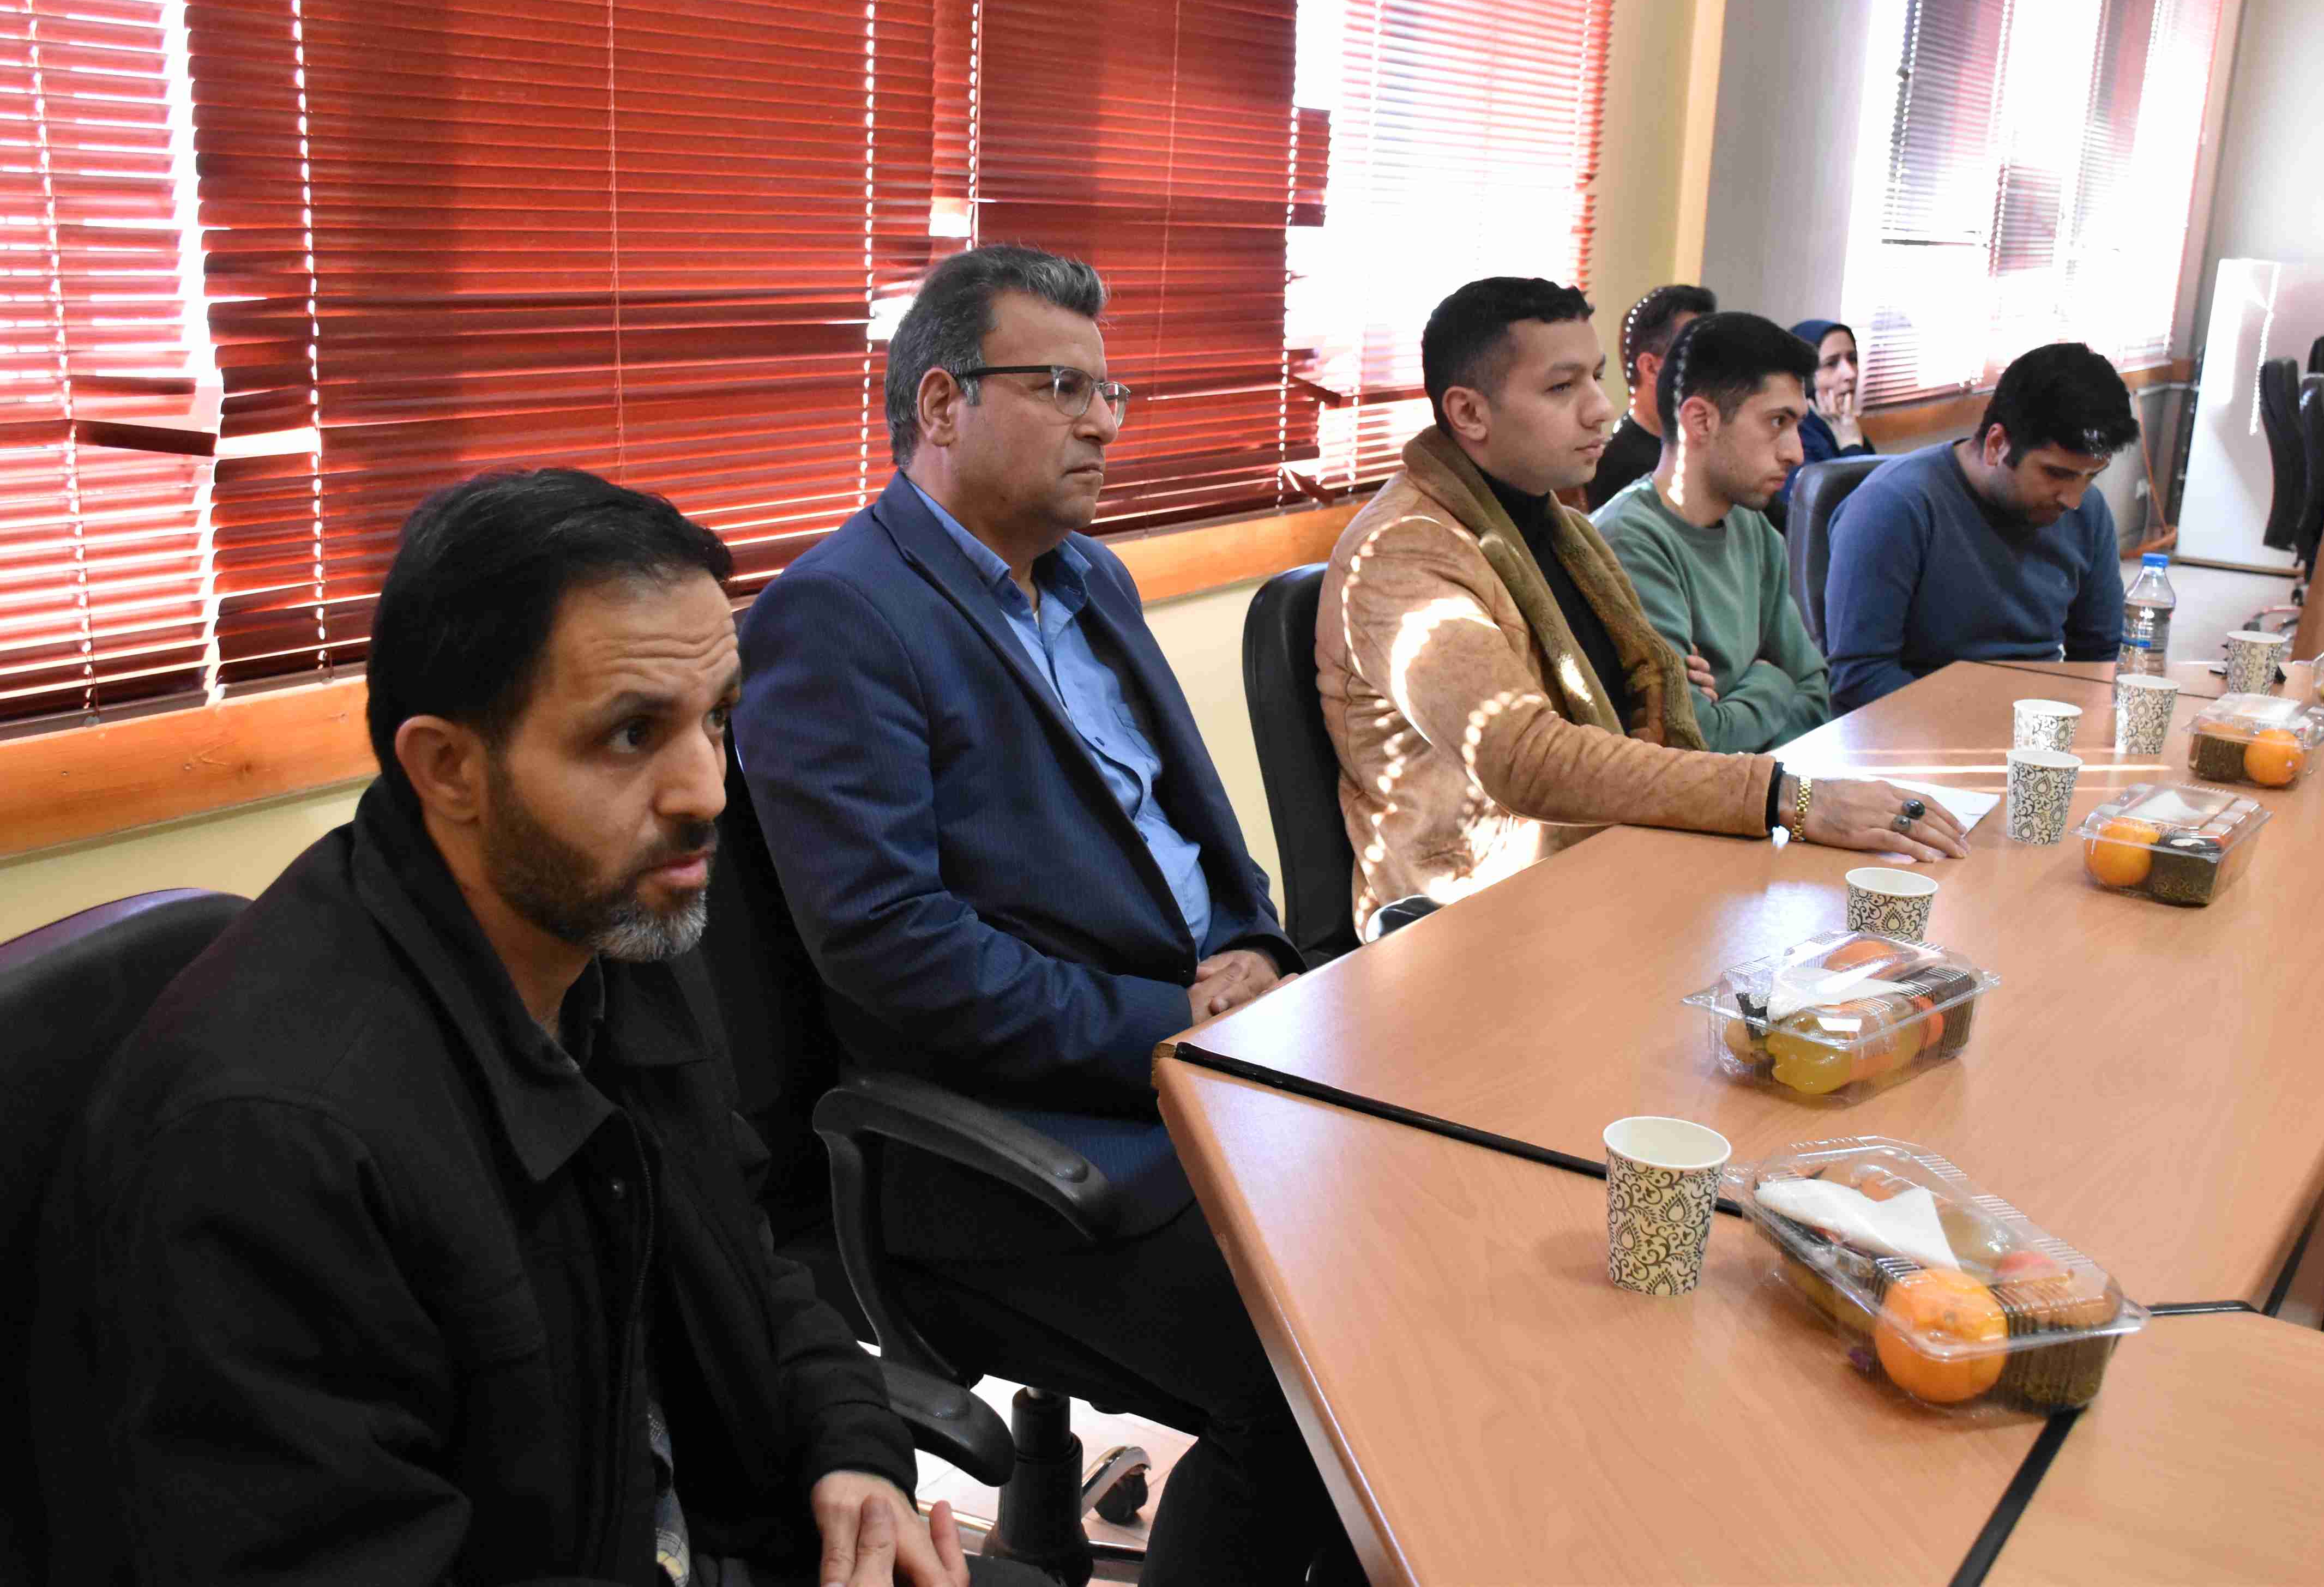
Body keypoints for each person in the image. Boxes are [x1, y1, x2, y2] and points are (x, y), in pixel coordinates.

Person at [32, 468, 1019, 1587]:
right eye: (632, 734)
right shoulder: (275, 1140)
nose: (707, 790)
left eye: (717, 719)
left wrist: (852, 1453)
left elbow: (742, 1261)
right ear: (448, 767)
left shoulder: (608, 931)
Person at [733, 245, 1360, 1586]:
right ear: (942, 403)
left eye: (1109, 391)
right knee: (1320, 1383)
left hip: (1208, 1061)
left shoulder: (1087, 576)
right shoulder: (839, 619)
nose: (1102, 423)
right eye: (1061, 387)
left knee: (1425, 1248)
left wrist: (1254, 947)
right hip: (1019, 1141)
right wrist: (1173, 1024)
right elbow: (892, 947)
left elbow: (1193, 826)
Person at [1317, 275, 1966, 929]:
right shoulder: (1402, 550)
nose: (1600, 409)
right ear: (1468, 413)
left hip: (1607, 865)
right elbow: (1525, 757)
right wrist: (1788, 799)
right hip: (1469, 913)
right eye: (1561, 387)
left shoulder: (1561, 529)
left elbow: (1659, 711)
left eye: (1596, 377)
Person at [1823, 341, 2140, 713]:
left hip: (2035, 726)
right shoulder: (1893, 506)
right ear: (1997, 444)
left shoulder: (2088, 511)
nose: (2073, 499)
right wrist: (1986, 728)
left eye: (2090, 476)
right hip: (1920, 726)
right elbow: (1860, 679)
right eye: (2057, 474)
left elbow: (2100, 656)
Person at [1592, 312, 1832, 753]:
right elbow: (1694, 740)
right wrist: (1773, 680)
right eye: (1777, 422)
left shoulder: (1755, 529)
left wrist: (1740, 699)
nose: (1796, 453)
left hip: (1765, 786)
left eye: (1798, 424)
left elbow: (1816, 696)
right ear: (1700, 420)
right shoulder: (1628, 542)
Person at [1587, 281, 1716, 504]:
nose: (1715, 369)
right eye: (1699, 355)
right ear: (1651, 368)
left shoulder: (1698, 448)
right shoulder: (1625, 472)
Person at [1771, 317, 1877, 532]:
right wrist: (1851, 447)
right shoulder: (1790, 441)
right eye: (1831, 364)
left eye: (1853, 359)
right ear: (1803, 377)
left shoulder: (1842, 426)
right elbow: (1858, 516)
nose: (1850, 374)